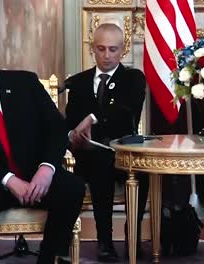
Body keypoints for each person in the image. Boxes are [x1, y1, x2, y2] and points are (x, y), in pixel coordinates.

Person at [0, 39, 85, 264]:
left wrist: (47, 169)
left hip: (34, 173)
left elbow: (56, 128)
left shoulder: (25, 83)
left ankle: (49, 256)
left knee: (72, 188)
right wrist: (8, 179)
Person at [65, 23, 149, 261]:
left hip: (124, 155)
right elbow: (70, 120)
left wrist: (91, 119)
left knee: (141, 172)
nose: (107, 55)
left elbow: (126, 111)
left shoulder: (133, 78)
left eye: (113, 49)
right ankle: (105, 240)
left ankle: (132, 235)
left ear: (122, 50)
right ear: (93, 49)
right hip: (88, 157)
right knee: (100, 164)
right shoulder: (78, 82)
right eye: (101, 49)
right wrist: (73, 135)